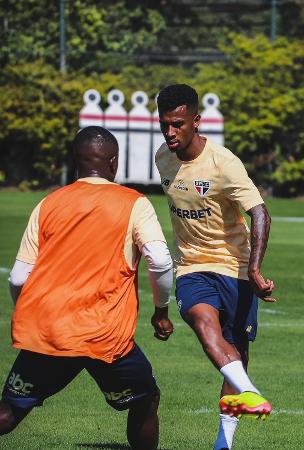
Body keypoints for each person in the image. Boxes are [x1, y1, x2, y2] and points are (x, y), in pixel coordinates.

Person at [0, 126, 174, 450]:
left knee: (8, 413)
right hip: (104, 334)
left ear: (76, 161)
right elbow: (161, 262)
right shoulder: (134, 204)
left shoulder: (48, 203)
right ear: (114, 163)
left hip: (49, 330)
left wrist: (34, 316)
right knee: (146, 398)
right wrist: (161, 312)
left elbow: (18, 278)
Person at [155, 84, 276, 450]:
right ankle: (251, 392)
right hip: (191, 266)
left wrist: (255, 270)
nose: (170, 133)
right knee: (204, 324)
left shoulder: (224, 163)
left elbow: (260, 213)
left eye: (178, 124)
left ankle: (223, 442)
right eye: (164, 124)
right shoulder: (163, 157)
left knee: (236, 353)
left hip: (235, 268)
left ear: (196, 120)